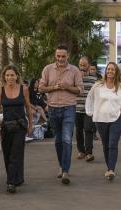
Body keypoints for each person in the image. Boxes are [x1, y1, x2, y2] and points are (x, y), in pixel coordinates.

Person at [39, 45, 83, 185]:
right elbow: (40, 87)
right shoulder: (48, 69)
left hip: (69, 108)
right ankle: (62, 165)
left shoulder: (74, 70)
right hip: (52, 109)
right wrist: (54, 87)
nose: (60, 59)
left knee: (67, 139)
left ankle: (65, 171)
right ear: (55, 55)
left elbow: (79, 90)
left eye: (63, 56)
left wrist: (66, 87)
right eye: (58, 56)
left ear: (67, 56)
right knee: (58, 140)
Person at [85, 62, 121, 180]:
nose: (110, 71)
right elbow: (90, 97)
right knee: (106, 145)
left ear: (116, 72)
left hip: (117, 118)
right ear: (105, 71)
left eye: (113, 70)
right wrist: (90, 112)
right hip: (100, 118)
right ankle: (109, 167)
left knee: (112, 144)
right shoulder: (98, 85)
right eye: (108, 69)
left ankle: (111, 170)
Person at [0, 65, 33, 193]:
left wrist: (30, 125)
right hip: (6, 126)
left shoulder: (24, 89)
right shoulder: (0, 91)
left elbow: (28, 108)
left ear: (17, 76)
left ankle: (11, 182)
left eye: (12, 75)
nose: (10, 77)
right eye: (7, 75)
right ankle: (17, 178)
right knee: (7, 154)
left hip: (20, 126)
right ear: (4, 77)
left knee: (16, 153)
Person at [76, 57, 102, 161]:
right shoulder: (75, 76)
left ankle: (89, 152)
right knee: (78, 131)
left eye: (84, 65)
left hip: (89, 109)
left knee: (88, 129)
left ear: (89, 65)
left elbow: (98, 93)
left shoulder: (95, 78)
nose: (82, 67)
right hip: (77, 108)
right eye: (80, 65)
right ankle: (81, 151)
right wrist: (78, 79)